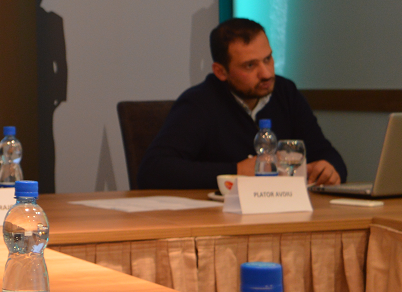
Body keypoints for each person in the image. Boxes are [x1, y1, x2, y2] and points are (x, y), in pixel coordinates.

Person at [138, 18, 346, 190]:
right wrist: (236, 171)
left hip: (281, 210)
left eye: (268, 59)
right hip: (218, 217)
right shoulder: (199, 103)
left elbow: (326, 154)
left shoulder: (285, 92)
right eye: (250, 65)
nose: (266, 74)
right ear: (221, 72)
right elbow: (153, 170)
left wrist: (329, 168)